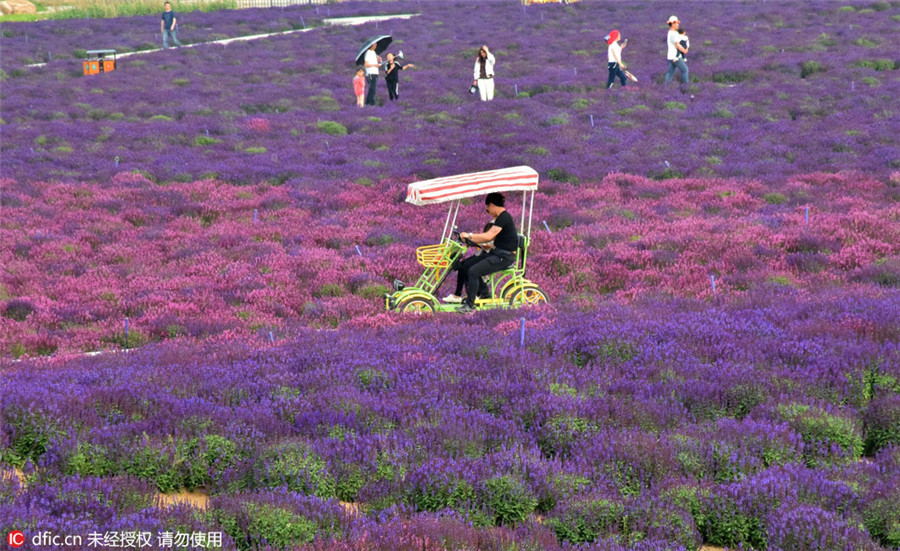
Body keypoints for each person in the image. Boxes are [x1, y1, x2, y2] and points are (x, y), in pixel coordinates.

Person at [456, 193, 519, 313]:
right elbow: (497, 240)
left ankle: (470, 305)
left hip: (504, 256)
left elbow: (489, 236)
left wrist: (469, 235)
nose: (488, 212)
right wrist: (480, 243)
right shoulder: (501, 218)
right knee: (466, 265)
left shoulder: (503, 217)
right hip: (497, 252)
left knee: (474, 271)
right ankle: (484, 294)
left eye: (487, 209)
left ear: (491, 205)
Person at [443, 221, 495, 304]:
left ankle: (483, 292)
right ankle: (457, 294)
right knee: (462, 266)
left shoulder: (495, 241)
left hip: (488, 259)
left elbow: (489, 245)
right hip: (481, 256)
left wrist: (479, 242)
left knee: (468, 267)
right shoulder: (487, 238)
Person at [664, 15, 689, 85]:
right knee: (685, 70)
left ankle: (664, 86)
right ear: (672, 24)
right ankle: (686, 86)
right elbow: (677, 44)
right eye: (676, 23)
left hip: (670, 56)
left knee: (670, 72)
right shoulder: (673, 34)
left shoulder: (670, 32)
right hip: (676, 57)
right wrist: (684, 50)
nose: (678, 24)